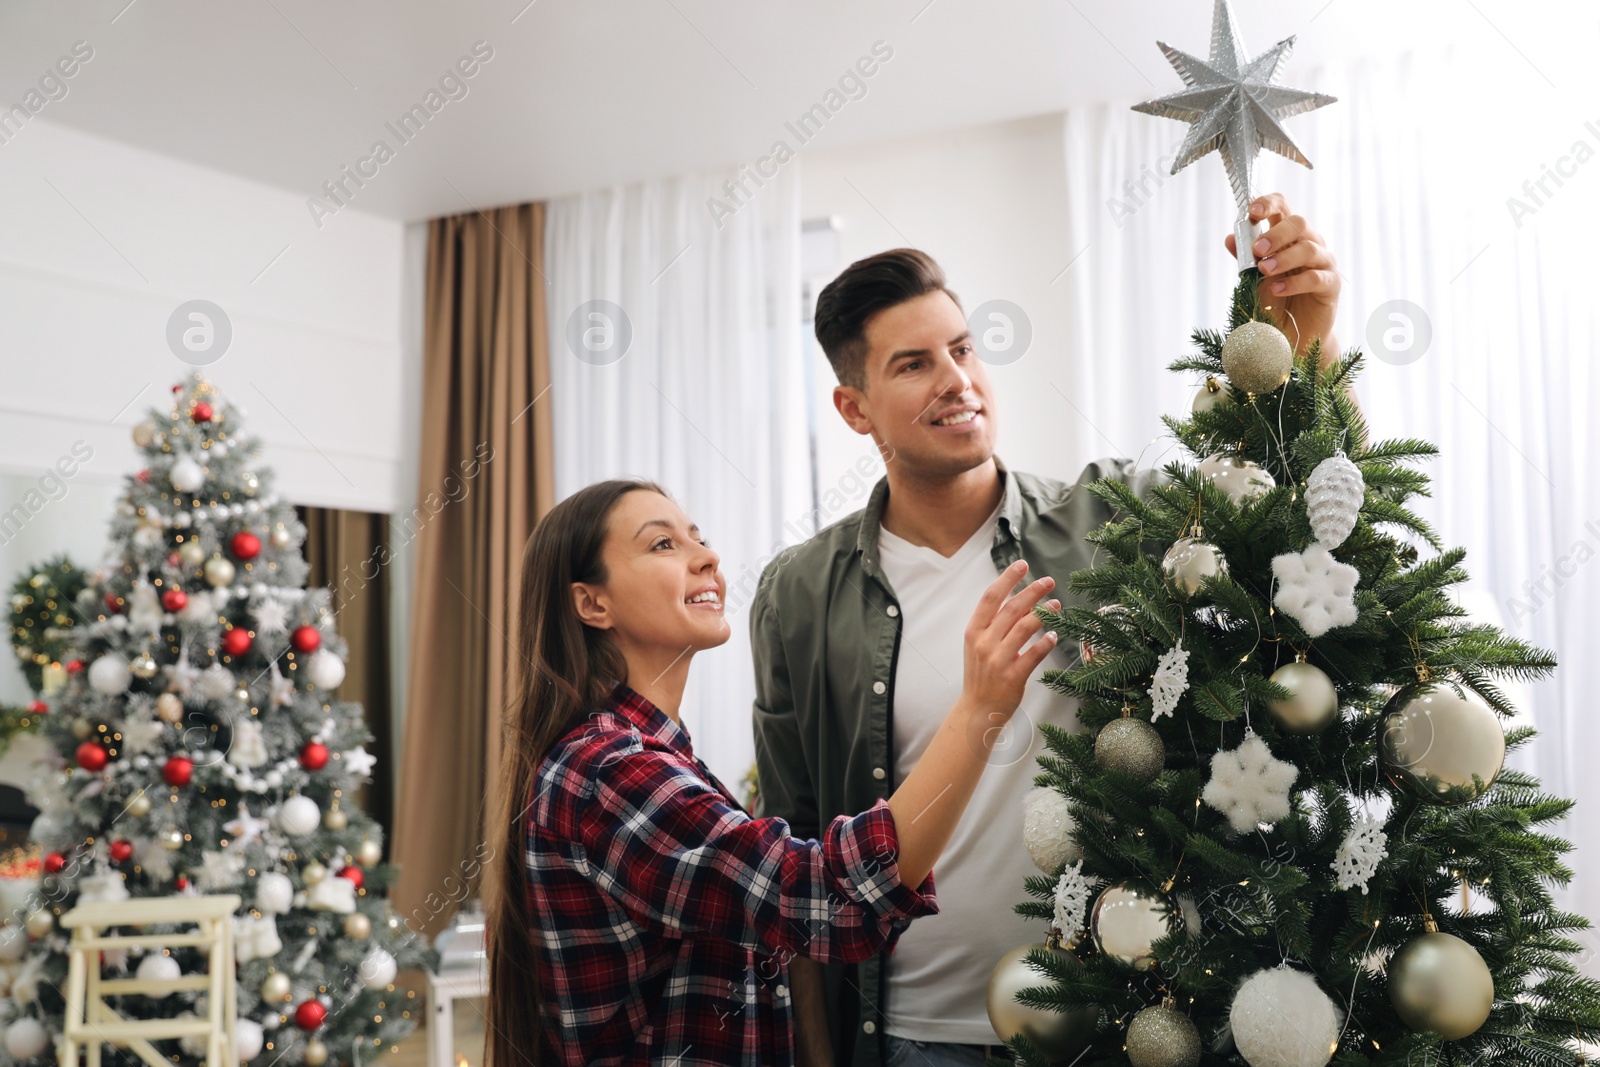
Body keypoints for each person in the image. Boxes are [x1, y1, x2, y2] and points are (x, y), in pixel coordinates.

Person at [751, 195, 1346, 1067]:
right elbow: (795, 855)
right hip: (911, 1034)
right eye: (913, 364)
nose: (956, 378)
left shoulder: (1110, 516)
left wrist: (1308, 336)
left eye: (962, 348)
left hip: (1113, 1019)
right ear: (854, 408)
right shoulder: (799, 592)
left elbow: (1283, 502)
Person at [483, 477, 1067, 1066]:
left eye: (698, 538)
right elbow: (831, 896)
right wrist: (978, 712)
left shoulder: (650, 757)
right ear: (592, 604)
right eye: (663, 545)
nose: (707, 557)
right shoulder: (606, 772)